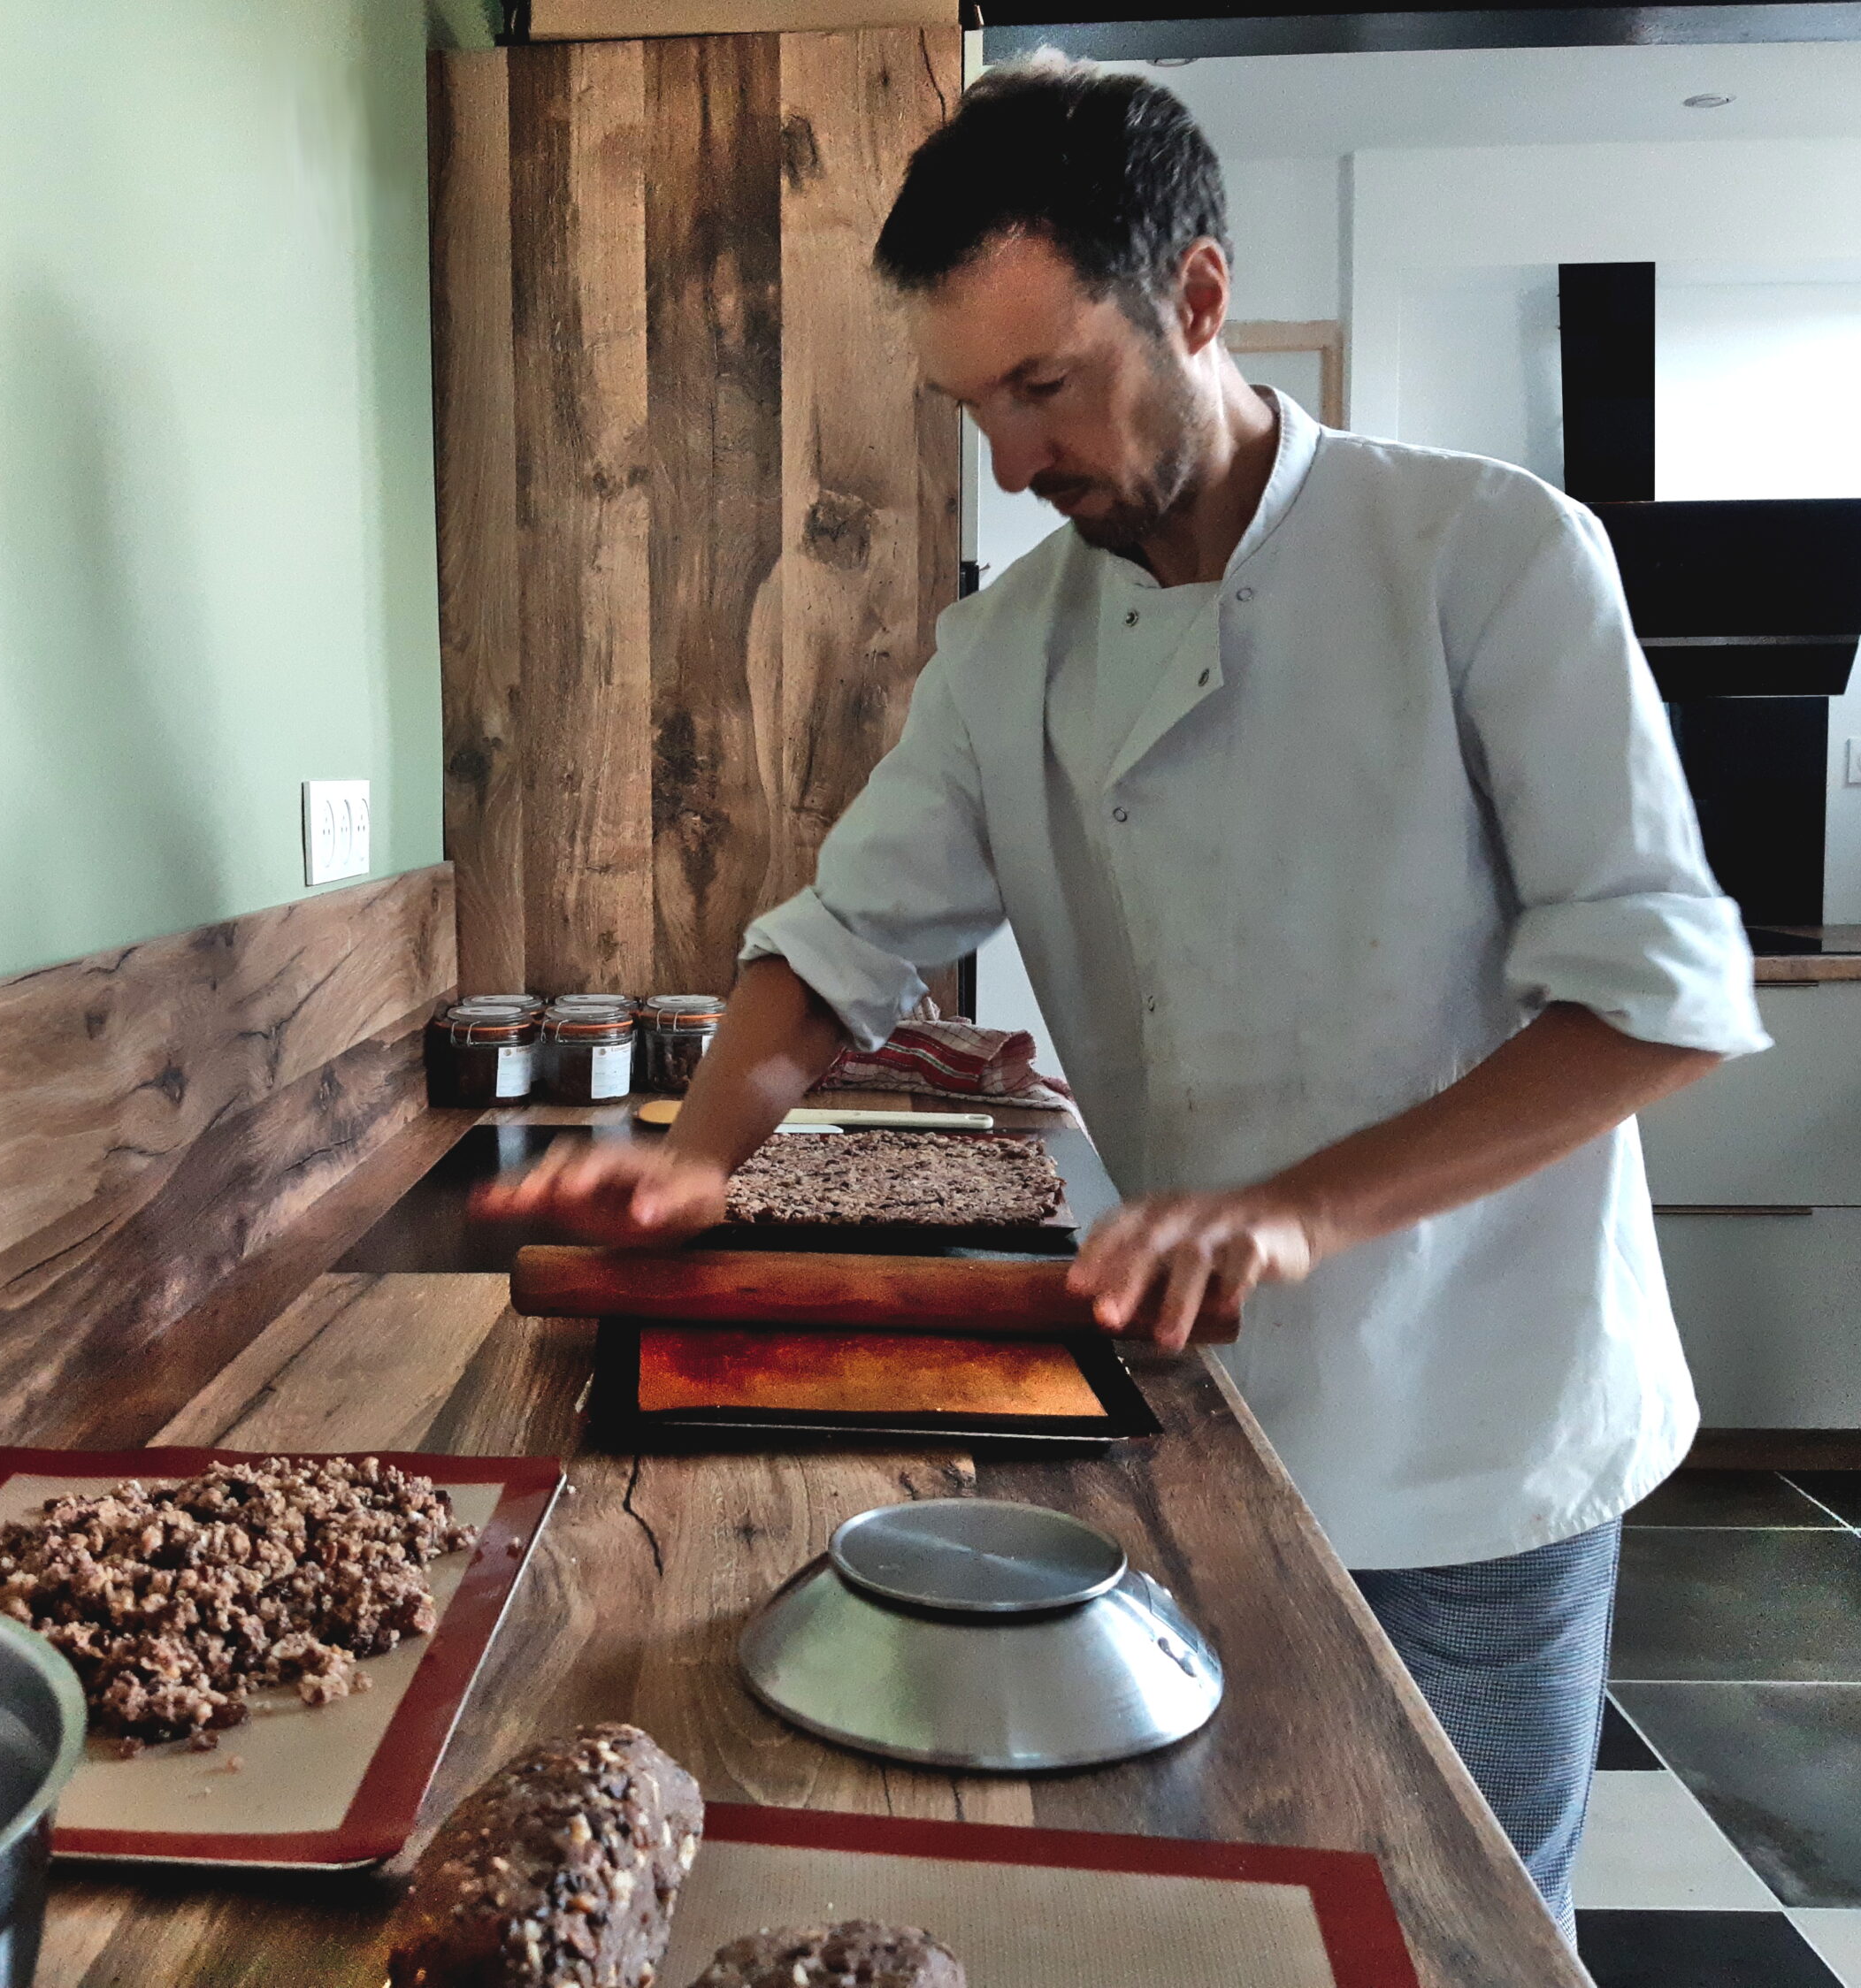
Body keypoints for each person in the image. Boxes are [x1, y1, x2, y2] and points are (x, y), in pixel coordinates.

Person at [477, 56, 1768, 1937]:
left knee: (1461, 1922)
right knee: (1228, 1898)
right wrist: (694, 1163)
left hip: (1479, 1418)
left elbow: (1657, 999)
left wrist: (1292, 1207)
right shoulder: (1010, 649)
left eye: (1047, 385)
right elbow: (828, 948)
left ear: (1197, 297)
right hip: (1190, 1401)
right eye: (972, 408)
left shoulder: (1483, 557)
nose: (1012, 464)